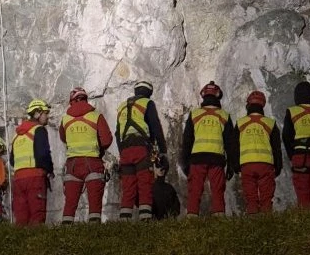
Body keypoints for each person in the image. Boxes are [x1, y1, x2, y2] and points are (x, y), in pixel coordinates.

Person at [181, 81, 237, 218]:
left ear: (204, 96)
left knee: (195, 190)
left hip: (197, 158)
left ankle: (191, 219)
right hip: (216, 158)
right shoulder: (224, 115)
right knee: (217, 190)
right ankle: (219, 220)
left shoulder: (195, 114)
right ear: (218, 97)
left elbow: (187, 140)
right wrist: (231, 165)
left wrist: (184, 162)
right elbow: (230, 143)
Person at [115, 80, 169, 221]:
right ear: (149, 92)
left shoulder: (122, 106)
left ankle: (124, 222)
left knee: (128, 187)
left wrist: (121, 152)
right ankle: (145, 220)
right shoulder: (147, 103)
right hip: (141, 148)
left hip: (125, 150)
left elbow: (117, 132)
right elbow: (155, 126)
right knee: (145, 184)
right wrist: (162, 151)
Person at [59, 87, 113, 224]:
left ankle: (64, 235)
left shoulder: (65, 119)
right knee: (95, 202)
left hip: (72, 165)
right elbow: (107, 139)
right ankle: (93, 235)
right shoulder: (96, 115)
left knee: (70, 203)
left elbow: (63, 138)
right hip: (92, 162)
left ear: (72, 101)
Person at [233, 90, 282, 214]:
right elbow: (276, 147)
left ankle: (253, 224)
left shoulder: (240, 123)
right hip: (266, 165)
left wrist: (235, 165)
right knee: (266, 199)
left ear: (248, 105)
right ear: (263, 105)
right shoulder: (270, 123)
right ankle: (266, 225)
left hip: (246, 165)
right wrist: (278, 165)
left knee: (251, 199)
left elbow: (234, 147)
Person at [10, 99, 54, 226]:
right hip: (35, 178)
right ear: (37, 113)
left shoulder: (17, 135)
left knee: (21, 216)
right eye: (46, 113)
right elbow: (43, 154)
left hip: (18, 179)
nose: (47, 116)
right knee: (37, 214)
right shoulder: (39, 130)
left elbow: (13, 160)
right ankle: (36, 244)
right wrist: (49, 169)